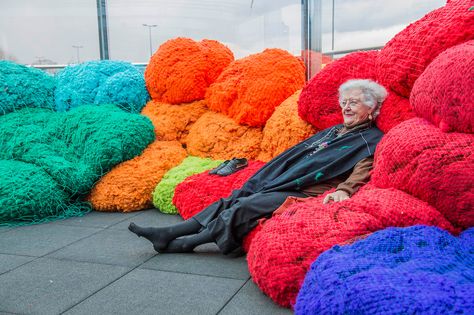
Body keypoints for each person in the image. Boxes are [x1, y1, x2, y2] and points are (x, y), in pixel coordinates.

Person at [129, 79, 387, 255]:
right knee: (239, 194)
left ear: (372, 107)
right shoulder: (335, 130)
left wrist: (345, 189)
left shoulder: (369, 139)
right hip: (288, 179)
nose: (346, 107)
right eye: (344, 102)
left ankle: (185, 244)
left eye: (353, 102)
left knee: (246, 205)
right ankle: (169, 233)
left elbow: (362, 169)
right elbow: (300, 155)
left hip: (308, 191)